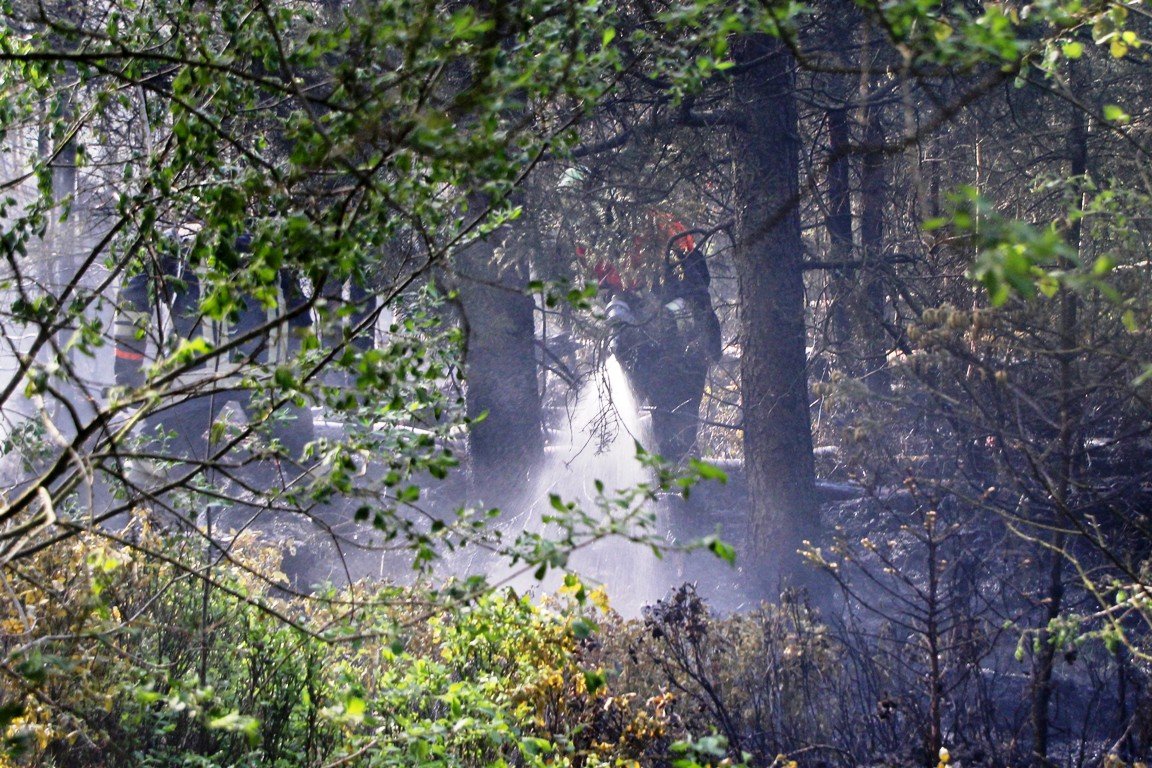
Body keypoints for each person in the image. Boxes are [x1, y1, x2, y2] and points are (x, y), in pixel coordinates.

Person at [113, 230, 317, 499]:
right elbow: (300, 316)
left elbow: (132, 301)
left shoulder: (173, 245)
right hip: (265, 379)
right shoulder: (271, 238)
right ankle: (342, 530)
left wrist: (128, 376)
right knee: (309, 467)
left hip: (196, 379)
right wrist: (303, 378)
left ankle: (133, 530)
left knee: (151, 463)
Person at [603, 216, 722, 461]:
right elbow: (615, 291)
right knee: (641, 425)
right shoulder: (624, 244)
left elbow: (697, 297)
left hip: (679, 354)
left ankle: (680, 483)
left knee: (678, 432)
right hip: (651, 350)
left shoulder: (673, 241)